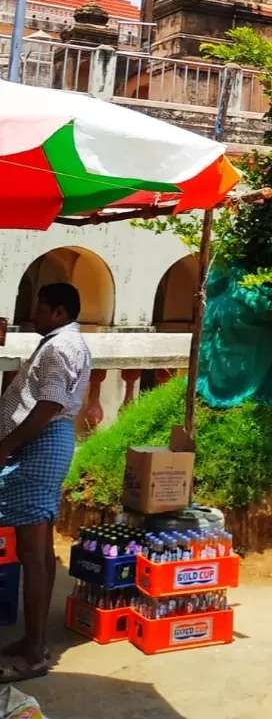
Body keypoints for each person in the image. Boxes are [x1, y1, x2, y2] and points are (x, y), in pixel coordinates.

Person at [0, 282, 90, 682]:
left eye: (39, 308)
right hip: (47, 444)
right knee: (39, 548)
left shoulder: (56, 347)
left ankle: (35, 652)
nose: (32, 314)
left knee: (33, 552)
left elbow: (50, 403)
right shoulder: (66, 343)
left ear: (58, 312)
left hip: (38, 446)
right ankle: (33, 640)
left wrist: (6, 446)